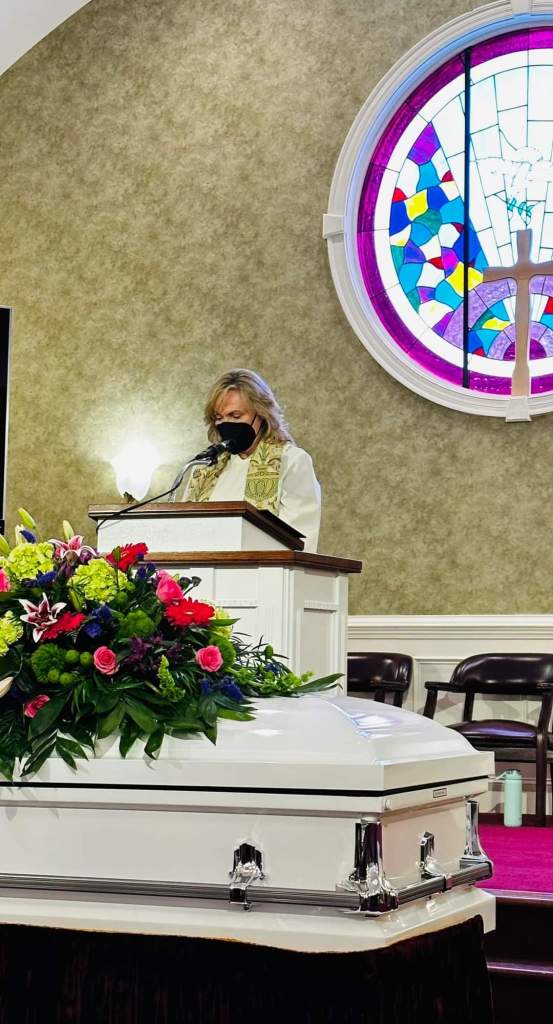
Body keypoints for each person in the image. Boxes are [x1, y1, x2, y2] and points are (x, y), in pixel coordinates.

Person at [183, 369, 321, 551]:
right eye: (219, 417)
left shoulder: (291, 461)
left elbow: (300, 542)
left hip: (262, 568)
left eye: (235, 416)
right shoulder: (205, 467)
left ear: (261, 414)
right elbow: (183, 530)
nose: (226, 424)